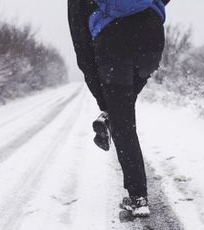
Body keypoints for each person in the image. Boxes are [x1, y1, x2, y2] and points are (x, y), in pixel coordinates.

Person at [68, 0, 170, 217]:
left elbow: (82, 48)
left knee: (122, 121)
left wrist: (103, 101)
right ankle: (111, 114)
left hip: (113, 41)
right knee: (124, 103)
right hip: (152, 37)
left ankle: (138, 198)